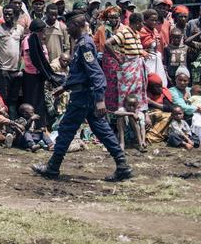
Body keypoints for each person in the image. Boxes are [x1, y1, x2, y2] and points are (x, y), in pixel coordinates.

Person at [32, 13, 133, 181]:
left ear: (76, 25)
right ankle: (122, 165)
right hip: (84, 94)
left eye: (69, 25)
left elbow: (95, 73)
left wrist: (100, 99)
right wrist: (64, 87)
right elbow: (81, 73)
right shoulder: (80, 43)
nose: (66, 28)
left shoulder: (85, 45)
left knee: (66, 129)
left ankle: (53, 167)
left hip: (84, 96)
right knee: (102, 130)